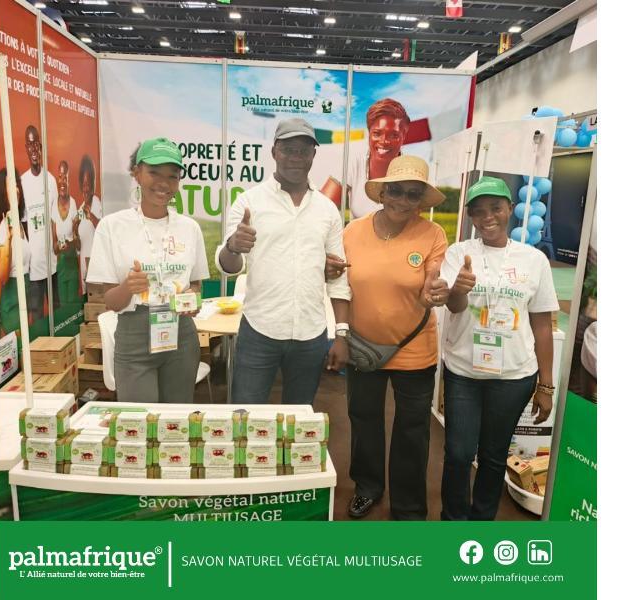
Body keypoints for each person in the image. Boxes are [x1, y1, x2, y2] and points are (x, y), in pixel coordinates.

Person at [326, 155, 450, 520]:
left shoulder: (433, 234)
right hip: (363, 347)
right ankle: (367, 487)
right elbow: (339, 284)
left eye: (413, 194)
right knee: (363, 419)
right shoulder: (352, 232)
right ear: (382, 193)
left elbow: (434, 276)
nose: (402, 200)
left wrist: (434, 291)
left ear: (421, 200)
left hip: (415, 349)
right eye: (396, 191)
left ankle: (408, 505)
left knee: (413, 429)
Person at [439, 176, 559, 521]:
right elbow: (454, 307)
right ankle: (453, 523)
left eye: (495, 208)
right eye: (478, 211)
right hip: (463, 370)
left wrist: (546, 385)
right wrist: (458, 289)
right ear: (471, 217)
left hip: (514, 376)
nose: (487, 216)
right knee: (458, 454)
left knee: (493, 456)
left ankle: (481, 523)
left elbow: (541, 324)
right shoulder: (459, 253)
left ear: (511, 209)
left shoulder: (533, 259)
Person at [216, 118, 351, 405]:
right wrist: (233, 246)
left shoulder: (327, 209)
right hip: (259, 331)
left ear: (313, 155)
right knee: (246, 414)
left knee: (299, 417)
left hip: (311, 334)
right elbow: (229, 266)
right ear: (274, 151)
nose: (296, 157)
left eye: (304, 150)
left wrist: (341, 333)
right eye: (289, 149)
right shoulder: (248, 202)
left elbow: (339, 275)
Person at [87, 138, 209, 403]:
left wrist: (192, 299)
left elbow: (196, 286)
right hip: (134, 335)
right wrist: (128, 287)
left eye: (172, 176)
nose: (163, 183)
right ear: (137, 173)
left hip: (181, 335)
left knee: (176, 418)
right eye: (154, 172)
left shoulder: (190, 228)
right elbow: (111, 302)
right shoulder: (112, 227)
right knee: (139, 418)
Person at [20, 125, 58, 328]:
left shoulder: (50, 180)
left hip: (52, 262)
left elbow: (54, 220)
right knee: (37, 318)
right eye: (30, 145)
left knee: (57, 312)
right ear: (26, 149)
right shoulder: (23, 182)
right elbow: (24, 224)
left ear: (41, 148)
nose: (34, 150)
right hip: (34, 266)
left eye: (37, 145)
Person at [347, 98, 410, 219]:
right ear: (369, 133)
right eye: (377, 133)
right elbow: (323, 209)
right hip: (357, 231)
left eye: (394, 135)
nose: (384, 141)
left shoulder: (412, 171)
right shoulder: (354, 161)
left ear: (404, 136)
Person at [0, 168, 30, 338]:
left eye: (16, 184)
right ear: (4, 194)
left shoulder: (21, 224)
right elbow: (3, 277)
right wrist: (8, 239)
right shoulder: (4, 228)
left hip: (24, 299)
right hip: (12, 303)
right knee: (19, 349)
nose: (15, 189)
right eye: (9, 185)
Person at [50, 160, 81, 306]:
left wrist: (73, 235)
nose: (62, 181)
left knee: (73, 307)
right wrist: (60, 247)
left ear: (69, 181)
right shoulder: (53, 206)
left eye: (65, 178)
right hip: (61, 266)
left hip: (72, 264)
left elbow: (78, 244)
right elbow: (55, 248)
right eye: (60, 177)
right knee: (63, 308)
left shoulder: (73, 204)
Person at [76, 154, 103, 293]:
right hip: (84, 269)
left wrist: (90, 215)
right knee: (86, 301)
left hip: (97, 269)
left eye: (89, 184)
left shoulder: (97, 202)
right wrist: (74, 229)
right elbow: (79, 246)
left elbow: (103, 230)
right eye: (84, 184)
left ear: (93, 183)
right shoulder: (80, 209)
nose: (86, 188)